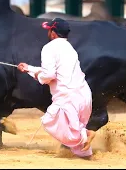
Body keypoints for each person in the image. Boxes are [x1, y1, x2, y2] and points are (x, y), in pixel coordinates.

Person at [17, 18, 96, 159]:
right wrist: (28, 68)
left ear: (53, 33)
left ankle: (87, 134)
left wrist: (37, 76)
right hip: (84, 95)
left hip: (67, 98)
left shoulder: (49, 48)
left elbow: (48, 75)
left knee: (49, 121)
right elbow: (52, 71)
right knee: (80, 146)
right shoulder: (69, 48)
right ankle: (86, 155)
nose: (48, 32)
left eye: (49, 30)